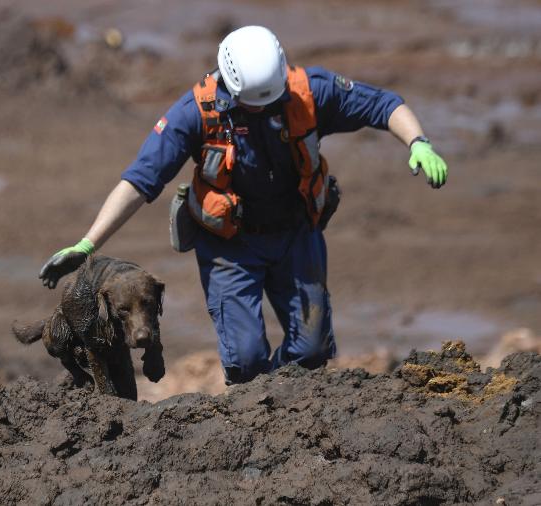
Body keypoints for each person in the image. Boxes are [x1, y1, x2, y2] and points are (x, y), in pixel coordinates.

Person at [39, 26, 448, 385]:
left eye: (271, 99)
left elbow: (384, 104)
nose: (264, 108)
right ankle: (259, 404)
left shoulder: (308, 91)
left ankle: (286, 400)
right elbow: (139, 181)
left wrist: (418, 142)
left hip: (296, 235)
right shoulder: (194, 112)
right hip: (229, 246)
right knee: (246, 361)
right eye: (254, 103)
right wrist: (88, 244)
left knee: (312, 351)